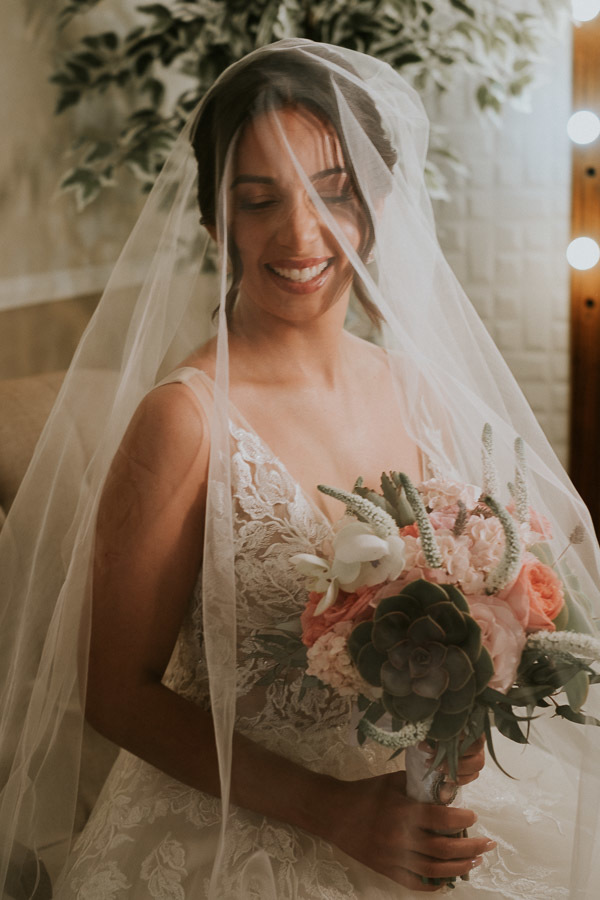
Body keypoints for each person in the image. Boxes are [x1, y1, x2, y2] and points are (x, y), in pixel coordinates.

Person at [0, 39, 599, 900]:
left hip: (418, 813)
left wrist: (461, 714)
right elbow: (111, 690)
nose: (301, 233)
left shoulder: (416, 390)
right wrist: (336, 813)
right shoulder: (186, 419)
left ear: (378, 206)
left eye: (333, 192)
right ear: (216, 223)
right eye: (258, 201)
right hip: (242, 830)